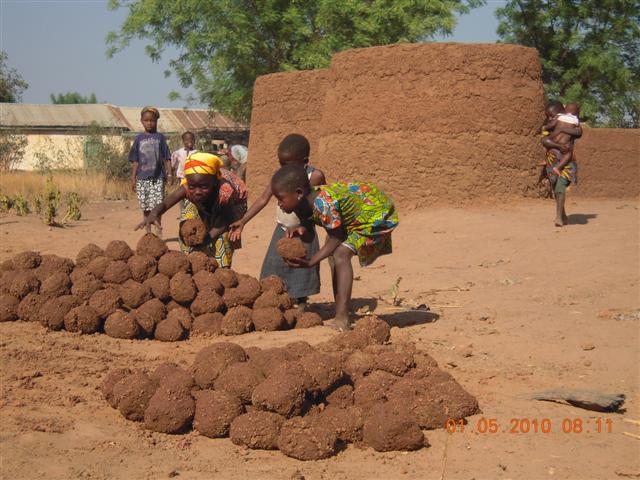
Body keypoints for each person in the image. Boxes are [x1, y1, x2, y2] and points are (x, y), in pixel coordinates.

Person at [270, 164, 399, 331]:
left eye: (281, 198)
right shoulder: (302, 204)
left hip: (375, 213)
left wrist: (311, 261)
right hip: (355, 217)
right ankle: (341, 309)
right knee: (333, 257)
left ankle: (342, 318)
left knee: (340, 254)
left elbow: (336, 237)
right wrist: (300, 230)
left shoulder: (323, 204)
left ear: (299, 194)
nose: (279, 204)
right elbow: (310, 233)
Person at [229, 134, 326, 310]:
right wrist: (243, 220)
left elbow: (322, 204)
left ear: (304, 160)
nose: (282, 168)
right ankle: (273, 301)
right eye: (281, 164)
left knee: (302, 267)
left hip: (306, 230)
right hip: (282, 228)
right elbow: (262, 199)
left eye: (287, 164)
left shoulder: (315, 177)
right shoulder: (280, 176)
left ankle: (302, 302)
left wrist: (305, 224)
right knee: (274, 266)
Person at [136, 152, 248, 268]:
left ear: (214, 182)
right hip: (203, 202)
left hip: (233, 205)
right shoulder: (188, 187)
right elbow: (166, 203)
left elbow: (224, 222)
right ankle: (191, 263)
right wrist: (154, 213)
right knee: (187, 224)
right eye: (192, 186)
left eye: (203, 187)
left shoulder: (225, 192)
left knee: (223, 237)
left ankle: (221, 270)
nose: (197, 191)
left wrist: (208, 238)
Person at [129, 106, 172, 237]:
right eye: (146, 120)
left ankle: (158, 231)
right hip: (142, 178)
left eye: (152, 120)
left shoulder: (160, 138)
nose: (149, 123)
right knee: (146, 207)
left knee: (157, 206)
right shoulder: (138, 139)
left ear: (156, 121)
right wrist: (133, 178)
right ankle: (148, 234)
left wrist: (169, 174)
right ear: (141, 121)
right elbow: (135, 160)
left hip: (157, 178)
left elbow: (167, 158)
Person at [540, 100, 582, 226]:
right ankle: (562, 215)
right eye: (548, 116)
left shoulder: (571, 123)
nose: (550, 118)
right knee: (556, 189)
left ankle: (558, 217)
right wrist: (557, 144)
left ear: (561, 112)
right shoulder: (553, 122)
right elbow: (544, 140)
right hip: (551, 162)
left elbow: (579, 132)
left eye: (552, 115)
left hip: (566, 164)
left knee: (560, 188)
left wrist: (563, 128)